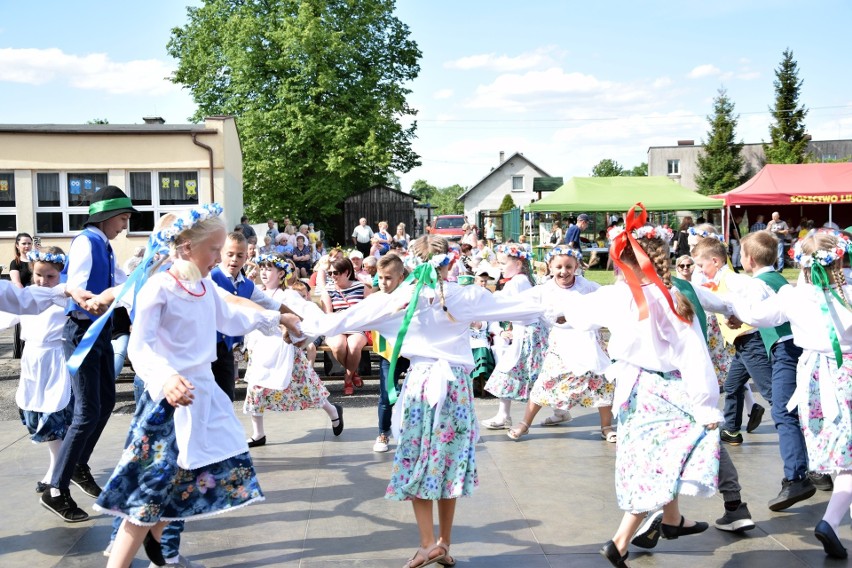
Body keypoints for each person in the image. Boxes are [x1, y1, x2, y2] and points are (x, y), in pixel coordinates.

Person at [290, 234, 545, 568]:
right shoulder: (465, 295)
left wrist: (287, 316)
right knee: (448, 464)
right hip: (455, 389)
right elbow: (525, 308)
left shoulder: (395, 298)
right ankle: (443, 542)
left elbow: (335, 321)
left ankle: (428, 543)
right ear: (449, 262)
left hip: (421, 385)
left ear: (410, 263)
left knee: (419, 460)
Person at [92, 204, 299, 568]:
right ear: (186, 247)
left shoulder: (204, 286)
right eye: (214, 249)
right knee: (147, 492)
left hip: (200, 395)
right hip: (167, 402)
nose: (219, 257)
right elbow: (141, 346)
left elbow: (233, 313)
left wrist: (275, 317)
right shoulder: (160, 286)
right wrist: (166, 377)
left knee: (185, 477)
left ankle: (161, 548)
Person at [554, 207, 720, 567]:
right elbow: (692, 353)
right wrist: (707, 405)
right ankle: (621, 539)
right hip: (668, 389)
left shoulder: (614, 296)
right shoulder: (671, 297)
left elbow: (577, 315)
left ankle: (672, 519)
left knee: (655, 458)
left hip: (633, 389)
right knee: (668, 458)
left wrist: (558, 314)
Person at [730, 230, 852, 559]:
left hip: (815, 378)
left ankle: (831, 518)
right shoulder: (849, 292)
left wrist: (734, 295)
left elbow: (755, 315)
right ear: (839, 259)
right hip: (846, 376)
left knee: (846, 457)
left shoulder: (791, 297)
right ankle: (830, 520)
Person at [41, 186, 137, 523]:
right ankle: (55, 487)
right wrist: (92, 298)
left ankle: (77, 464)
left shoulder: (105, 245)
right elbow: (76, 285)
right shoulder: (86, 241)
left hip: (99, 333)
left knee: (106, 402)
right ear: (109, 216)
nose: (125, 225)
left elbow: (124, 283)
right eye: (123, 218)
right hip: (82, 332)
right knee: (85, 411)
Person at [507, 246, 613, 441]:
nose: (563, 271)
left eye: (568, 267)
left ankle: (606, 426)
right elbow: (518, 303)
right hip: (561, 344)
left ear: (576, 267)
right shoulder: (544, 289)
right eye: (559, 267)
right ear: (550, 267)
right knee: (546, 380)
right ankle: (525, 423)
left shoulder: (587, 286)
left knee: (601, 382)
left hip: (588, 342)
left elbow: (608, 297)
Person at [243, 253, 342, 447]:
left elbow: (308, 314)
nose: (264, 272)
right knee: (254, 387)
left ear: (281, 274)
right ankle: (258, 433)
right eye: (262, 268)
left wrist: (296, 334)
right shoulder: (255, 291)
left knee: (307, 385)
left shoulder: (288, 295)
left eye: (269, 269)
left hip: (283, 348)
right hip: (261, 347)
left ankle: (333, 411)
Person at [691, 237, 773, 448]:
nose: (699, 270)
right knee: (732, 385)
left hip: (752, 339)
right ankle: (731, 430)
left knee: (769, 390)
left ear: (716, 262)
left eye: (701, 265)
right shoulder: (716, 281)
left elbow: (758, 293)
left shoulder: (733, 280)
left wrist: (743, 316)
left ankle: (795, 423)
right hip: (741, 343)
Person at [9, 248, 73, 495]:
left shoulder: (66, 296)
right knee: (35, 412)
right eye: (38, 275)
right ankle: (55, 467)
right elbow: (7, 317)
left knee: (54, 413)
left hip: (56, 357)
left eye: (50, 276)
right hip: (32, 358)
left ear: (60, 274)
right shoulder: (27, 296)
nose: (43, 281)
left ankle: (57, 475)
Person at [209, 231, 285, 401]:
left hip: (225, 349)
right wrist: (277, 318)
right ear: (221, 253)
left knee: (226, 398)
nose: (234, 259)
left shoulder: (248, 285)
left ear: (247, 257)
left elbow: (273, 304)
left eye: (239, 255)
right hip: (205, 347)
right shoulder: (211, 277)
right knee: (202, 399)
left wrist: (296, 319)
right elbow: (233, 301)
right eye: (230, 254)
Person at [480, 244, 543, 430]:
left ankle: (503, 415)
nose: (500, 266)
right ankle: (559, 411)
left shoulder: (518, 281)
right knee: (534, 373)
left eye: (503, 263)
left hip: (527, 333)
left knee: (508, 370)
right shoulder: (521, 280)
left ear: (517, 263)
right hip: (527, 332)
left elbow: (502, 303)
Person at [371, 254, 409, 453]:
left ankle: (413, 433)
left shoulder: (412, 295)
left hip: (413, 354)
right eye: (380, 278)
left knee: (416, 395)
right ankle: (383, 433)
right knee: (386, 396)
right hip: (388, 354)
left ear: (400, 278)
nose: (384, 283)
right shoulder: (375, 299)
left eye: (388, 278)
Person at [321, 256, 371, 395]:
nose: (332, 276)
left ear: (347, 272)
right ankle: (353, 372)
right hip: (336, 326)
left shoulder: (361, 287)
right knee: (338, 346)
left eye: (335, 273)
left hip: (357, 327)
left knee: (354, 346)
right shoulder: (328, 289)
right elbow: (328, 313)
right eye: (330, 273)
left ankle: (347, 378)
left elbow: (369, 310)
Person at [9, 232, 34, 358]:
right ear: (17, 245)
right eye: (24, 243)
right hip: (24, 299)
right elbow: (16, 282)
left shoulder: (36, 260)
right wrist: (27, 296)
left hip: (37, 299)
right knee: (24, 327)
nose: (27, 246)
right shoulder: (15, 263)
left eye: (29, 243)